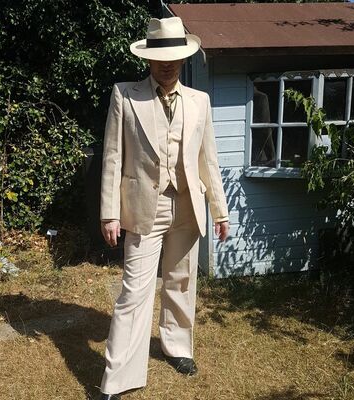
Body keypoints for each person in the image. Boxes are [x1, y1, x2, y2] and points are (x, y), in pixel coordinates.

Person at [99, 16, 229, 400]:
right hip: (144, 208)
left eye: (174, 57)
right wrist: (109, 212)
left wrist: (219, 210)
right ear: (148, 58)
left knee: (181, 280)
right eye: (160, 57)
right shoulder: (125, 95)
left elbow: (208, 160)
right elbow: (112, 157)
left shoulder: (200, 101)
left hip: (188, 205)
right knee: (134, 291)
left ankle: (177, 346)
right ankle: (119, 376)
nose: (167, 64)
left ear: (184, 58)